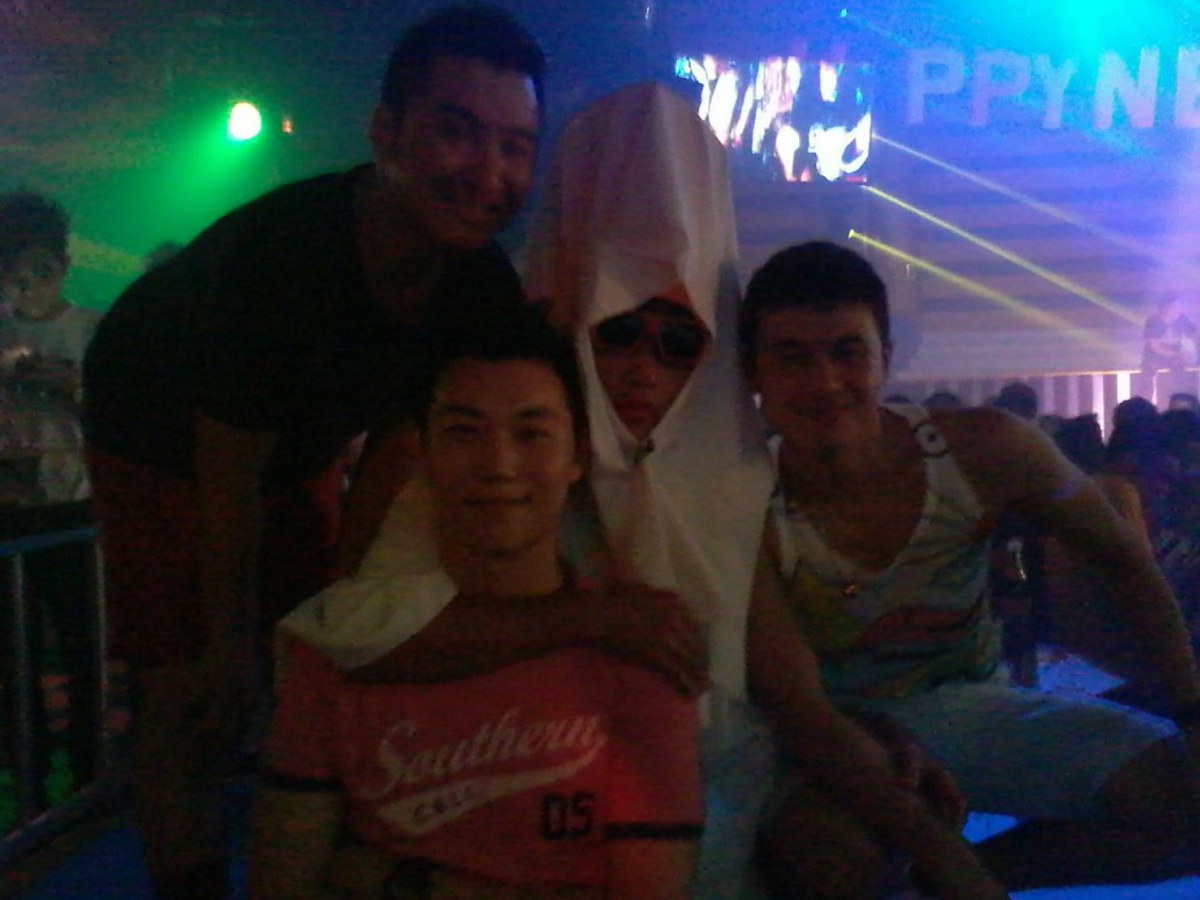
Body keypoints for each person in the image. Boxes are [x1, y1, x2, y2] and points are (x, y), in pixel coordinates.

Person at [286, 83, 1004, 899]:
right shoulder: (489, 447)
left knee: (843, 856)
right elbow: (356, 630)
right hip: (500, 772)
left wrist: (941, 847)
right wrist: (598, 618)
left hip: (705, 775)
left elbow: (783, 690)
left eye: (679, 341)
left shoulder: (726, 473)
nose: (643, 368)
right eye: (619, 330)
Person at [80, 6, 546, 895]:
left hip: (297, 445)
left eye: (516, 146)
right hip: (157, 431)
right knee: (190, 685)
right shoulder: (289, 255)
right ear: (385, 132)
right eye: (457, 131)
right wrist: (230, 646)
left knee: (320, 654)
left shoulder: (479, 281)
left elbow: (401, 446)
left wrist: (346, 597)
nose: (490, 173)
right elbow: (228, 470)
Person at [742, 240, 1200, 892]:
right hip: (827, 733)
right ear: (754, 374)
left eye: (847, 352)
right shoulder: (744, 498)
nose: (826, 382)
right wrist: (943, 855)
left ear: (885, 358)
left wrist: (1192, 711)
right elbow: (798, 708)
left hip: (971, 708)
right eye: (794, 358)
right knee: (824, 860)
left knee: (1188, 796)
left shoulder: (982, 449)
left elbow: (1123, 559)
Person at [249, 305, 704, 898]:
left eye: (531, 433)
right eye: (464, 432)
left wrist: (398, 881)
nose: (499, 466)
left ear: (578, 456)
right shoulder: (338, 650)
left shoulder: (645, 653)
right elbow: (282, 878)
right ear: (423, 454)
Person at [0, 191, 101, 806]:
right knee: (13, 655)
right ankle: (30, 778)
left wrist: (73, 385)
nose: (29, 285)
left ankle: (91, 776)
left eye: (42, 269)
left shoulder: (89, 329)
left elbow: (123, 414)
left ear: (63, 265)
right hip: (8, 512)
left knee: (81, 642)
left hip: (75, 512)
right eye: (15, 272)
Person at [1140, 293, 1197, 407]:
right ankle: (1146, 407)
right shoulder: (1153, 322)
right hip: (1154, 357)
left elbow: (1195, 335)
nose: (1179, 310)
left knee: (1183, 377)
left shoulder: (1183, 320)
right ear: (1166, 308)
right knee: (1147, 376)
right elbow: (1154, 346)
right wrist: (1177, 354)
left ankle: (1183, 406)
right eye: (1176, 307)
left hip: (1175, 358)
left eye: (1180, 307)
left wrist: (1190, 351)